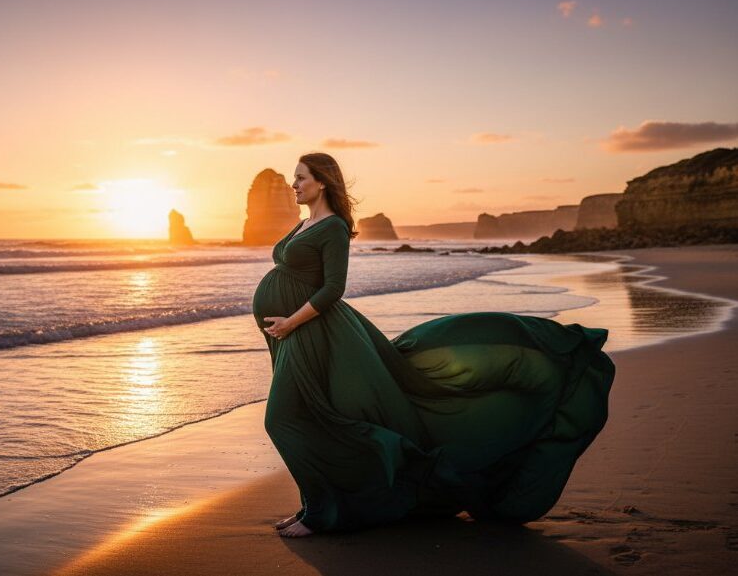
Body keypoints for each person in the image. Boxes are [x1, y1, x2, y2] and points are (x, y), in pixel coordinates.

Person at [251, 152, 616, 538]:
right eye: (293, 178)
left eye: (301, 177)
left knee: (283, 419)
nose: (294, 184)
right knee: (306, 416)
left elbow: (333, 289)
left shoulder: (334, 227)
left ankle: (323, 511)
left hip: (312, 333)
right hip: (292, 335)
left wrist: (291, 321)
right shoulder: (304, 223)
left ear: (322, 181)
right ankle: (314, 505)